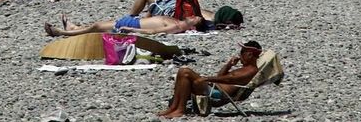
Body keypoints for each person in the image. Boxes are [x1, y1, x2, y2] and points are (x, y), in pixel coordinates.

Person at [158, 42, 262, 119]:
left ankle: (180, 109)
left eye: (242, 52)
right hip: (213, 88)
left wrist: (207, 78)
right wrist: (229, 65)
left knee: (185, 72)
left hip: (218, 95)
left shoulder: (251, 71)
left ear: (249, 54)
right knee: (183, 73)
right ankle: (173, 108)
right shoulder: (244, 68)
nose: (240, 55)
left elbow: (230, 79)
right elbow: (221, 76)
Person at [45, 13, 206, 39]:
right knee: (97, 27)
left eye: (194, 19)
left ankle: (63, 33)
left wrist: (133, 30)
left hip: (131, 25)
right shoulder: (176, 21)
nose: (192, 16)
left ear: (192, 28)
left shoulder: (176, 27)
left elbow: (154, 30)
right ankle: (73, 28)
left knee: (96, 26)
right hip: (132, 20)